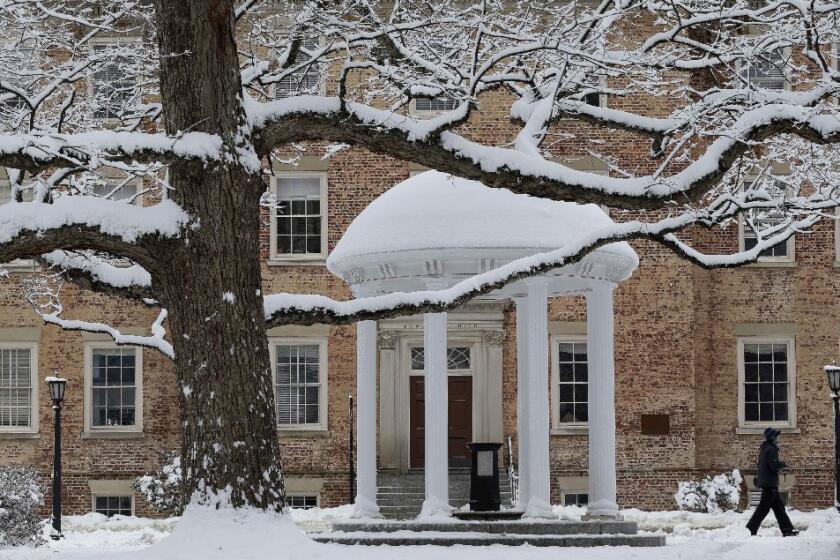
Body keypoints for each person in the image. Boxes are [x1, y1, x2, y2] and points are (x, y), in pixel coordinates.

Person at [746, 427, 798, 536]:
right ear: (772, 437)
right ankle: (750, 529)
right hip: (769, 484)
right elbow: (773, 466)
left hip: (768, 483)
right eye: (776, 436)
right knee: (763, 509)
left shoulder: (765, 449)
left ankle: (788, 530)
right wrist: (783, 464)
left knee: (779, 508)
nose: (778, 438)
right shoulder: (771, 449)